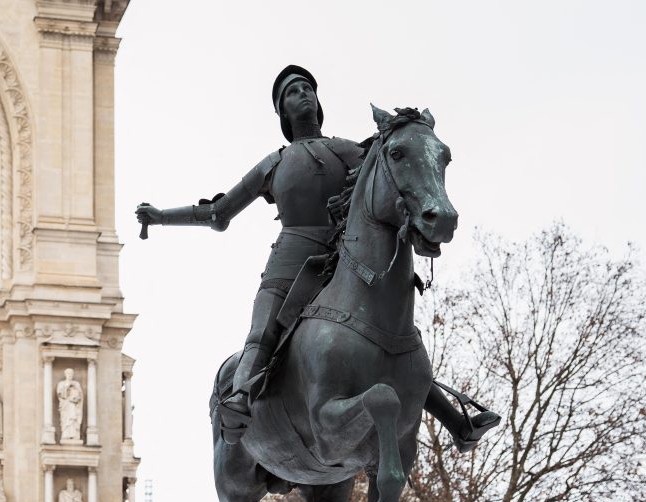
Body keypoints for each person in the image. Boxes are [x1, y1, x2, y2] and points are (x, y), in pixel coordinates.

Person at [136, 65, 498, 449]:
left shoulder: (348, 150)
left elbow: (393, 171)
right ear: (282, 112)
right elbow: (218, 213)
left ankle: (457, 421)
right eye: (292, 92)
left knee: (394, 333)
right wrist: (161, 217)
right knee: (263, 330)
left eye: (308, 88)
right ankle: (239, 399)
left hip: (342, 258)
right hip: (289, 263)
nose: (303, 94)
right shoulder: (273, 163)